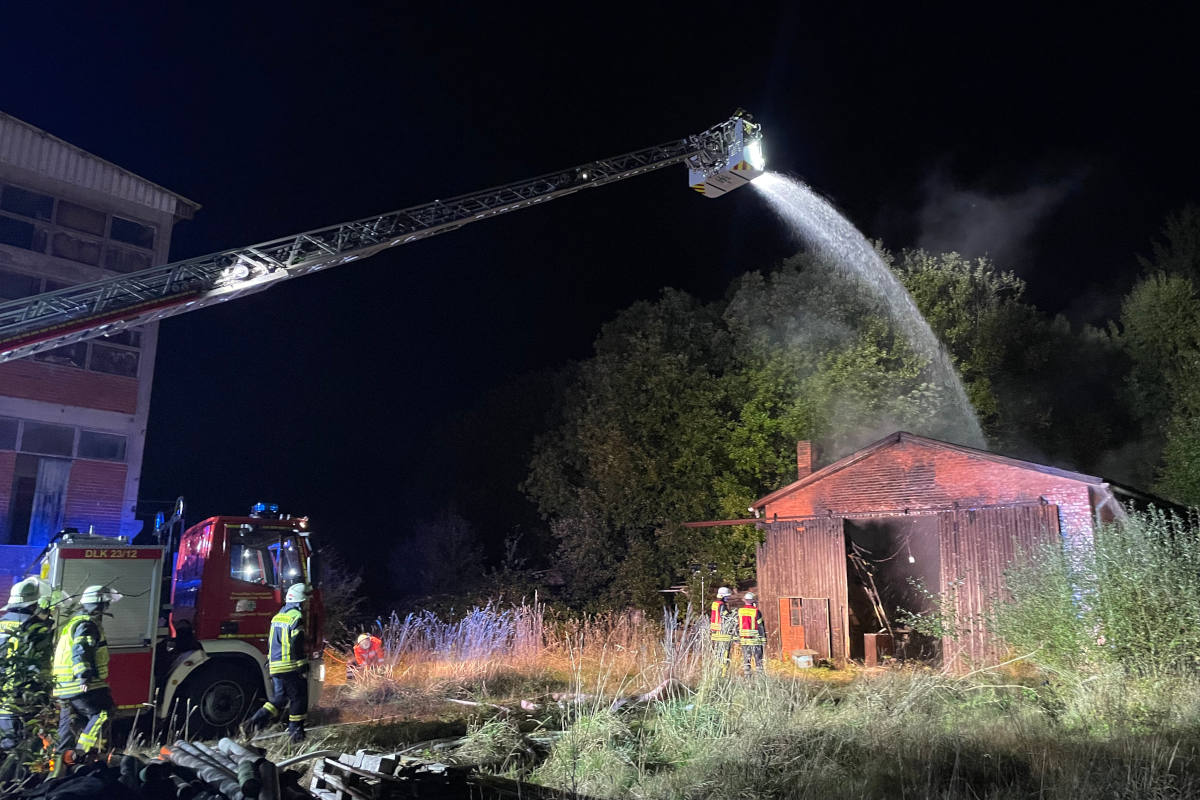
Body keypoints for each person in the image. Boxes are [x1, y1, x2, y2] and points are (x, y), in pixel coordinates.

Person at [52, 585, 117, 757]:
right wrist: (84, 676)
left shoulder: (74, 622)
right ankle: (81, 754)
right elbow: (81, 650)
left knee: (69, 724)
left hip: (64, 686)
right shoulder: (87, 624)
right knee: (103, 713)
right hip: (78, 683)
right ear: (101, 605)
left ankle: (61, 760)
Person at [244, 583, 310, 742]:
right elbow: (296, 643)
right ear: (300, 602)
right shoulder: (296, 617)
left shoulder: (278, 616)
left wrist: (270, 660)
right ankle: (296, 734)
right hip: (289, 666)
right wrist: (302, 664)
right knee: (299, 697)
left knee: (279, 699)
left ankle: (252, 724)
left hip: (275, 665)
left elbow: (272, 641)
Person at [0, 578, 53, 753]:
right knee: (21, 751)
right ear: (35, 603)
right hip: (22, 697)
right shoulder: (34, 627)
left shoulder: (2, 622)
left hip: (2, 696)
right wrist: (44, 697)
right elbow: (39, 667)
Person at [738, 591, 767, 675]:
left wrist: (737, 638)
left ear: (745, 600)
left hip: (744, 639)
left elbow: (737, 624)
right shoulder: (756, 611)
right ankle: (760, 677)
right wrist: (763, 638)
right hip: (755, 639)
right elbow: (760, 626)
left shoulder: (740, 611)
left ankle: (747, 676)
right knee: (758, 659)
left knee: (746, 659)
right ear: (752, 601)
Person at [709, 586, 737, 672]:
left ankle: (717, 671)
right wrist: (733, 614)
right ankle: (723, 673)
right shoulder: (722, 605)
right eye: (727, 597)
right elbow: (725, 617)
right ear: (723, 596)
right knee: (724, 653)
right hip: (722, 632)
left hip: (715, 632)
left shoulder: (715, 604)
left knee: (718, 653)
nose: (728, 598)